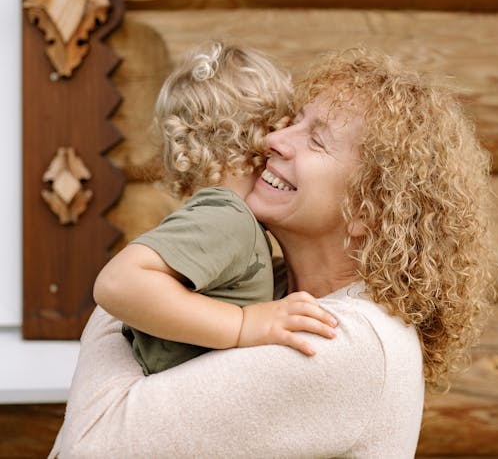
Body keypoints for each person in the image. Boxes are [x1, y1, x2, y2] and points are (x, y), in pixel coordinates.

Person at [50, 46, 496, 458]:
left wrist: (141, 282)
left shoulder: (344, 344)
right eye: (295, 120)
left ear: (369, 208)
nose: (273, 140)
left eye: (316, 140)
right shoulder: (276, 294)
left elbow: (90, 445)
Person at [94, 41, 338, 375]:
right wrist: (242, 324)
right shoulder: (227, 219)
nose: (283, 146)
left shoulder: (225, 220)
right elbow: (116, 283)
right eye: (283, 128)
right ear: (262, 134)